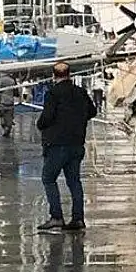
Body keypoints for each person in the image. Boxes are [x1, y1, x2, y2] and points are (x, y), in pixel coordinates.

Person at [36, 62, 97, 231]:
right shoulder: (81, 92)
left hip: (57, 145)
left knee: (48, 179)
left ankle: (56, 217)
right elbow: (93, 112)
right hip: (77, 143)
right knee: (74, 181)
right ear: (69, 75)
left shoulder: (53, 94)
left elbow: (46, 118)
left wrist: (40, 124)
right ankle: (78, 219)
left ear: (54, 76)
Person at [0, 73, 18, 137]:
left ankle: (6, 129)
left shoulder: (0, 80)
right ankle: (8, 129)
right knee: (9, 118)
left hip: (2, 102)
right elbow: (16, 92)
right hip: (11, 102)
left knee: (2, 117)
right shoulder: (12, 80)